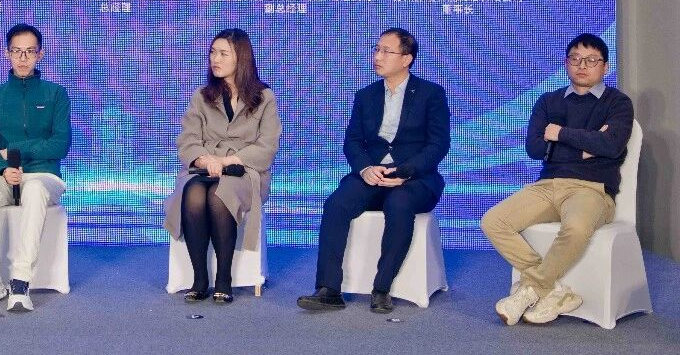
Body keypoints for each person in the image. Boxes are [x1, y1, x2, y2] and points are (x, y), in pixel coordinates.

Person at [481, 33, 633, 325]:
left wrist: (560, 134)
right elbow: (535, 149)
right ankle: (553, 291)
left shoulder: (618, 103)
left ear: (605, 66)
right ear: (566, 63)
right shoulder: (549, 101)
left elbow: (611, 145)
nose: (582, 66)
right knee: (493, 222)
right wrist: (587, 146)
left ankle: (531, 289)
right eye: (575, 59)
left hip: (592, 189)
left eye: (591, 60)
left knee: (576, 228)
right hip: (547, 185)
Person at [298, 27, 451, 314]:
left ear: (406, 59)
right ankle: (328, 289)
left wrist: (406, 171)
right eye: (376, 49)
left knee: (399, 204)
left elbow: (438, 144)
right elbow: (352, 141)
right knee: (336, 204)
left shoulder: (431, 94)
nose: (377, 56)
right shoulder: (365, 95)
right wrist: (365, 168)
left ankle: (381, 289)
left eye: (386, 51)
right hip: (372, 173)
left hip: (415, 177)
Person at [165, 28, 281, 304]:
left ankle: (223, 279)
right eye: (212, 53)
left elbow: (267, 146)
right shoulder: (202, 96)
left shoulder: (264, 98)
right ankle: (199, 278)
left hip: (246, 171)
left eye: (223, 54)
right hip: (203, 168)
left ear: (241, 58)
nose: (215, 59)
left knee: (220, 195)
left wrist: (226, 161)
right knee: (193, 192)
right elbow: (188, 139)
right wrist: (204, 160)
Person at [0, 23, 72, 313]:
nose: (23, 58)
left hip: (45, 176)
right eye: (17, 51)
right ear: (7, 54)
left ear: (40, 55)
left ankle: (21, 281)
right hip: (5, 175)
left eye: (30, 52)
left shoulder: (56, 95)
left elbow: (59, 145)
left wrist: (14, 152)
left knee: (34, 188)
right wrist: (2, 169)